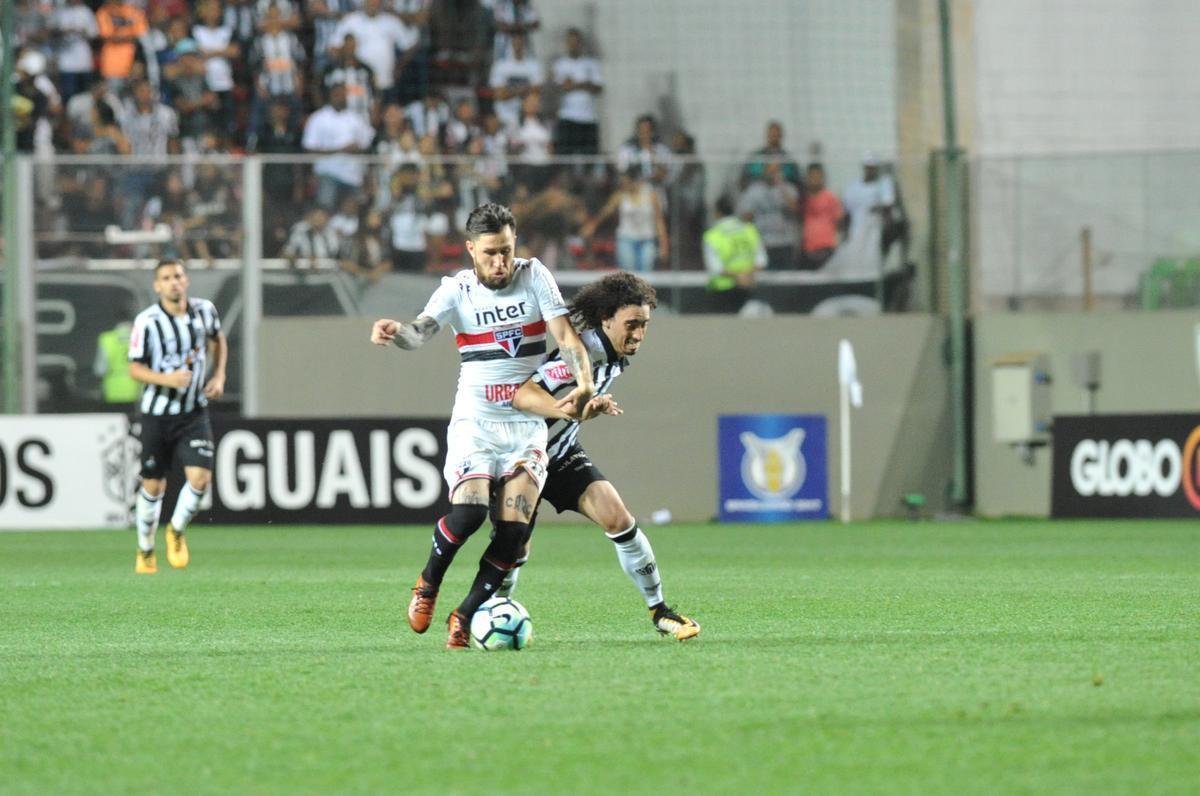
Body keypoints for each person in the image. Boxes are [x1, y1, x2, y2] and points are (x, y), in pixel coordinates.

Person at [370, 202, 595, 648]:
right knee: (469, 514)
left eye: (507, 251)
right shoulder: (456, 290)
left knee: (514, 532)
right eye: (490, 252)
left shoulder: (534, 277)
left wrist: (585, 384)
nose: (500, 262)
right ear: (471, 249)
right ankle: (429, 583)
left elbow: (566, 338)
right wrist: (396, 332)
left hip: (525, 424)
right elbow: (419, 333)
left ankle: (465, 613)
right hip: (476, 421)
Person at [500, 272, 700, 641]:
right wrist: (574, 410)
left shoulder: (617, 350)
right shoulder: (581, 354)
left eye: (644, 325)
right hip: (522, 455)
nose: (639, 334)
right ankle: (494, 609)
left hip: (560, 453)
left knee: (618, 518)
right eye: (632, 324)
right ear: (606, 320)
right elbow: (524, 395)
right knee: (514, 546)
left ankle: (659, 610)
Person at [127, 260, 227, 574]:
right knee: (154, 485)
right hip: (157, 415)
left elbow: (218, 339)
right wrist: (166, 379)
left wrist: (220, 375)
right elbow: (134, 368)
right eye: (167, 278)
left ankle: (177, 529)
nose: (174, 282)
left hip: (193, 412)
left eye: (179, 276)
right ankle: (145, 548)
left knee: (201, 478)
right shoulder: (147, 322)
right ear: (157, 285)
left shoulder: (204, 311)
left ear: (187, 280)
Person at [581, 166, 668, 273]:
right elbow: (606, 212)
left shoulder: (651, 195)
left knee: (646, 271)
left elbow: (659, 220)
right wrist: (593, 225)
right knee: (628, 273)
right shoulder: (620, 195)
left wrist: (664, 243)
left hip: (647, 239)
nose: (623, 184)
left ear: (634, 181)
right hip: (626, 238)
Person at [703, 195, 767, 314]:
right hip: (749, 288)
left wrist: (738, 276)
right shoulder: (750, 230)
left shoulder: (712, 236)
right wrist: (745, 275)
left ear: (717, 213)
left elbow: (715, 268)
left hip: (722, 291)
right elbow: (761, 261)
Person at [551, 27, 603, 156]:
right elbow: (561, 87)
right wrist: (585, 84)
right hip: (567, 116)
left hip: (588, 117)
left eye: (576, 42)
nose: (573, 45)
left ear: (580, 43)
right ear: (567, 43)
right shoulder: (560, 64)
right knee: (565, 157)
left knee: (589, 157)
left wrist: (574, 84)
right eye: (570, 42)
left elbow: (598, 87)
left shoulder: (591, 63)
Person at [799, 162, 843, 270]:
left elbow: (839, 221)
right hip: (807, 250)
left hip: (826, 249)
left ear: (822, 177)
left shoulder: (831, 198)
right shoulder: (803, 199)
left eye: (817, 176)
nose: (814, 179)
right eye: (811, 176)